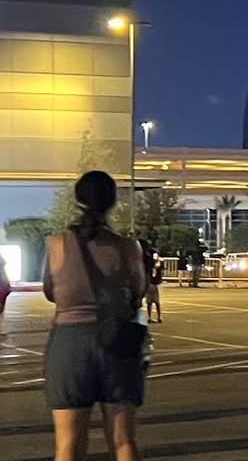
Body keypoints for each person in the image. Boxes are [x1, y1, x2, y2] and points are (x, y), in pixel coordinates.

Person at [42, 171, 147, 461]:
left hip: (70, 343)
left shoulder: (56, 244)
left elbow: (51, 292)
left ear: (77, 201)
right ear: (113, 202)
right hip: (118, 343)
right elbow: (139, 291)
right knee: (124, 441)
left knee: (68, 445)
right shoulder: (128, 247)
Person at [143, 243, 163, 324]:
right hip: (152, 283)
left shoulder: (146, 259)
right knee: (155, 302)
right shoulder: (152, 259)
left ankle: (151, 317)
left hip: (150, 282)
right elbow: (157, 266)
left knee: (150, 302)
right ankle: (158, 317)